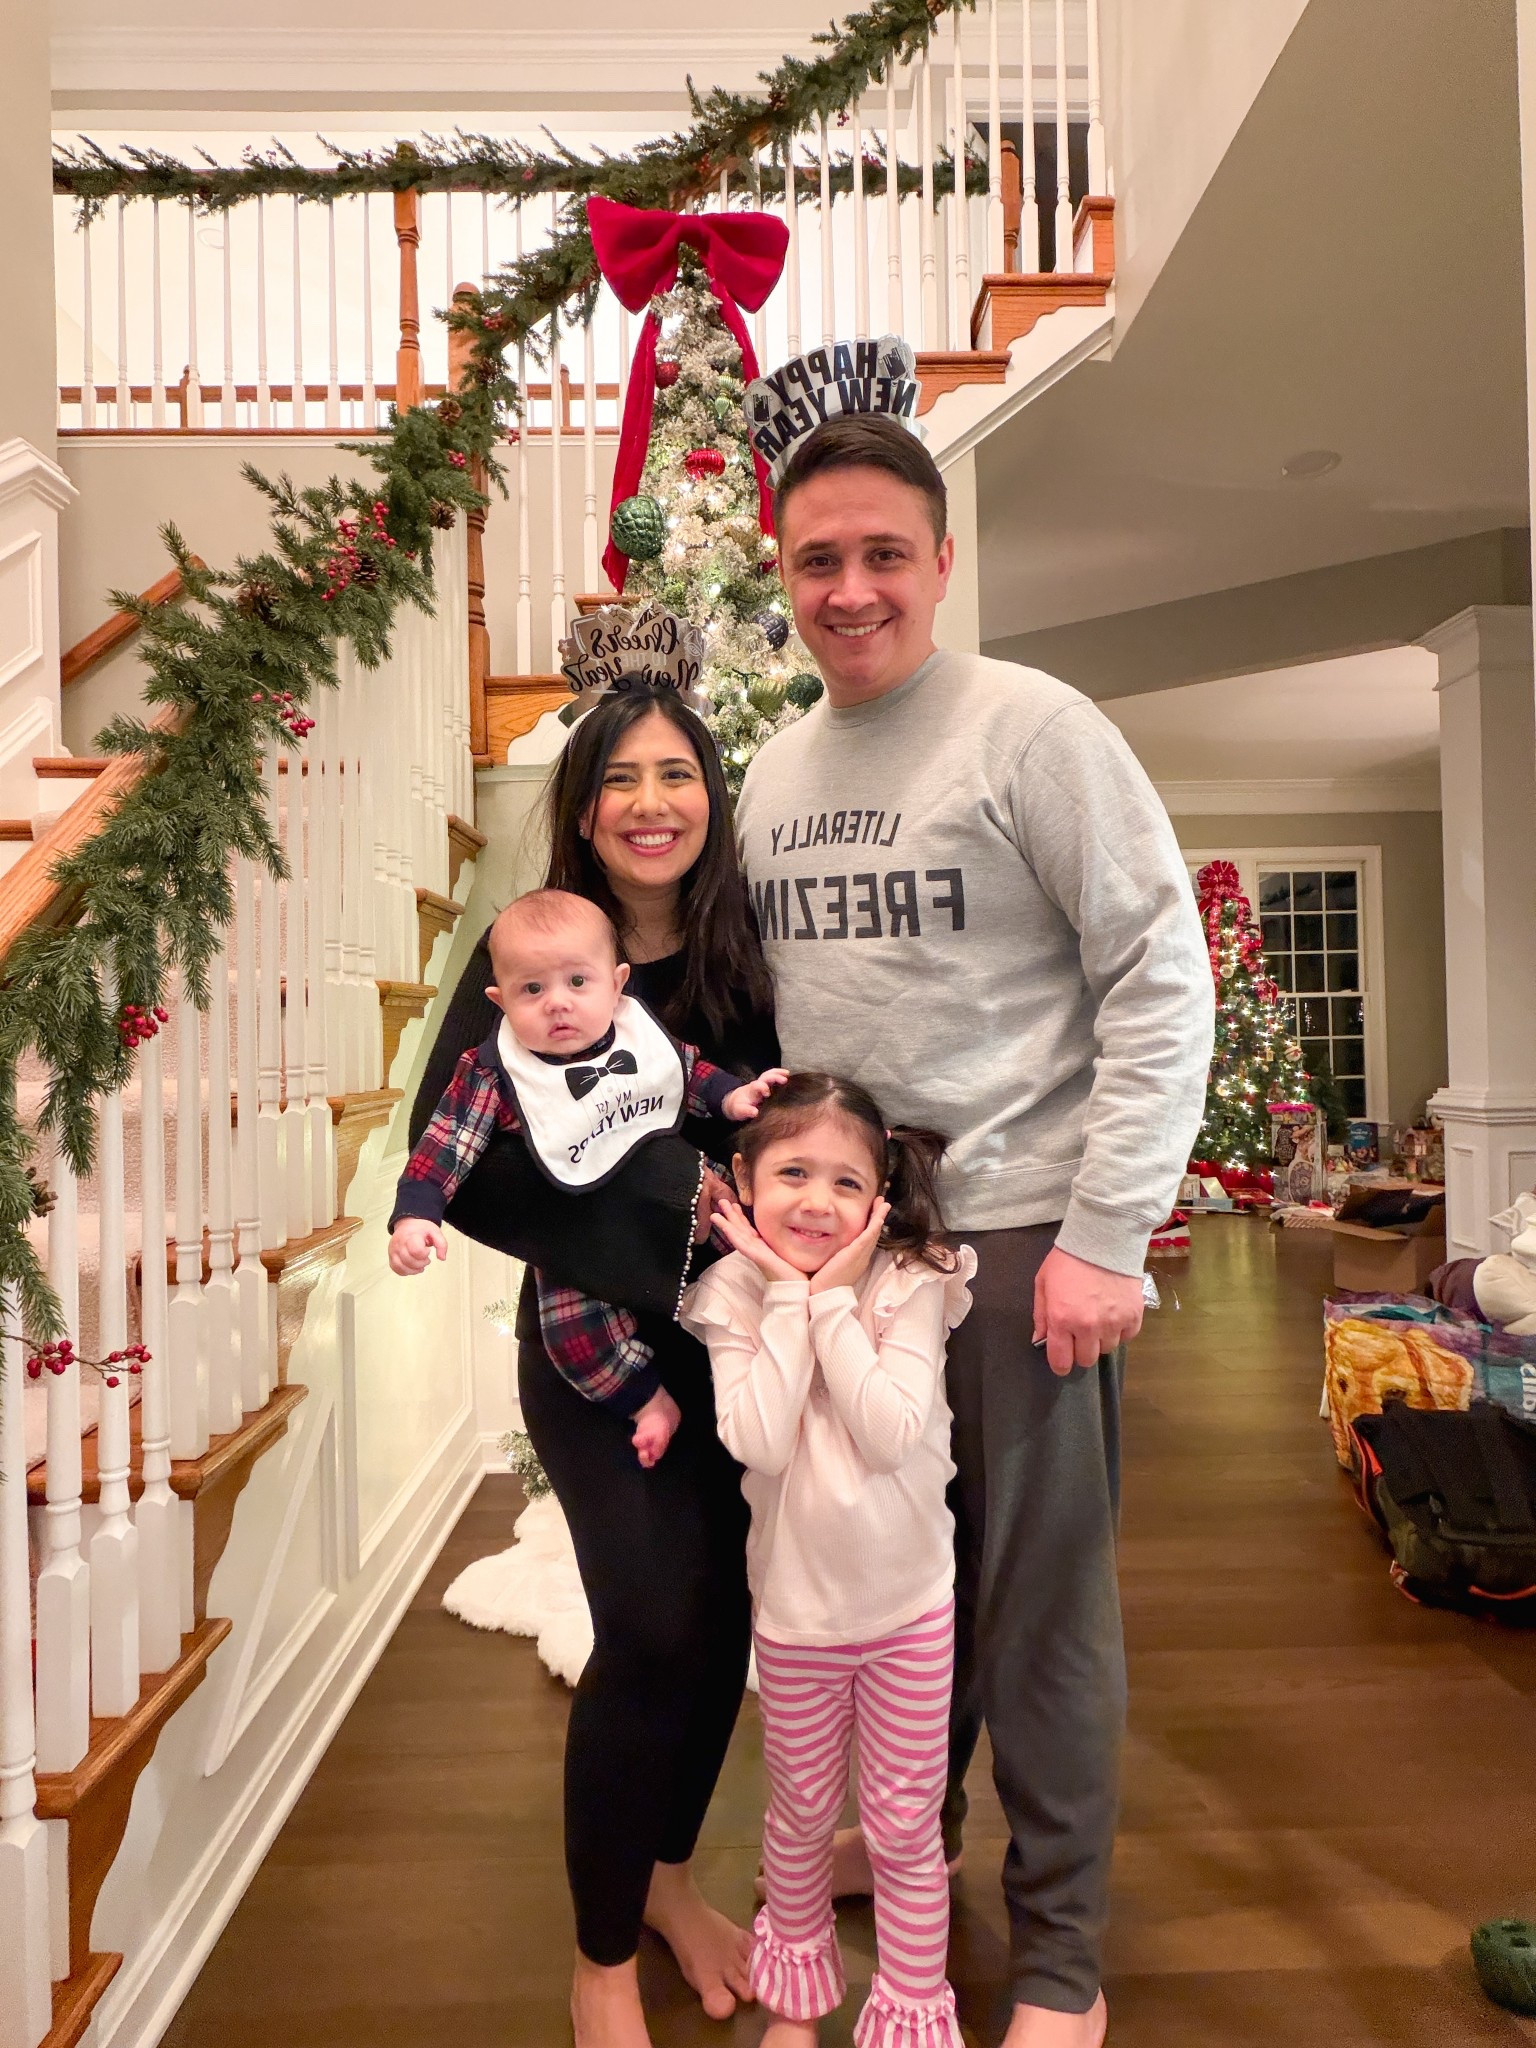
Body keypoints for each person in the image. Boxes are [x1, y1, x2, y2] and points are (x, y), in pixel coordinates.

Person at [734, 410, 1215, 2047]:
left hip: (1016, 1245)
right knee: (886, 1592)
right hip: (846, 1259)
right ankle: (910, 1851)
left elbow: (1158, 974)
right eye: (818, 559)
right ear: (782, 572)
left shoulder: (1034, 731)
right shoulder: (773, 773)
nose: (851, 588)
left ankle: (1063, 1958)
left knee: (1038, 1618)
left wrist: (1107, 1233)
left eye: (885, 553)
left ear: (944, 562)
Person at [409, 669, 778, 2047]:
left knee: (726, 1619)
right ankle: (601, 1956)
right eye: (618, 777)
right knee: (650, 1627)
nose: (648, 802)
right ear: (581, 807)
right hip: (592, 1349)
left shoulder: (745, 950)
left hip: (743, 1340)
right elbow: (458, 1166)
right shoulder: (526, 954)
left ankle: (669, 1880)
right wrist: (671, 1201)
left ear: (710, 796)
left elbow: (775, 1125)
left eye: (675, 773)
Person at [682, 1073, 977, 2048]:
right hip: (798, 1619)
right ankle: (795, 2006)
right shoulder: (730, 1294)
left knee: (903, 1827)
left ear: (880, 1197)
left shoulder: (916, 1278)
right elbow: (761, 1441)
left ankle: (910, 2010)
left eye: (847, 1182)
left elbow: (890, 1432)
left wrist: (834, 1301)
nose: (817, 1201)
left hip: (909, 1611)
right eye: (793, 1173)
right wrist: (785, 1293)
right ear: (743, 1180)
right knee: (801, 1815)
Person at [389, 887, 784, 1467]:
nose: (557, 1003)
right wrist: (416, 1214)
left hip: (693, 1205)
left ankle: (786, 1346)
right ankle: (647, 1403)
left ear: (617, 984)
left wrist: (732, 1097)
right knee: (574, 1335)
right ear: (499, 1000)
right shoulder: (495, 1073)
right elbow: (447, 1141)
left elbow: (688, 1072)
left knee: (756, 1240)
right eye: (532, 989)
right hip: (577, 1233)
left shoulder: (636, 1034)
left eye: (578, 982)